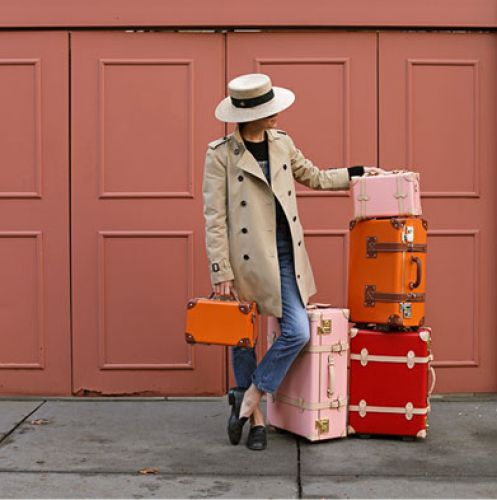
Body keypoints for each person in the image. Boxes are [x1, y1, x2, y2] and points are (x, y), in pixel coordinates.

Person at [202, 73, 386, 451]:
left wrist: (358, 174)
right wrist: (221, 269)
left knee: (298, 331)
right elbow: (214, 217)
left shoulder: (282, 143)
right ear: (249, 115)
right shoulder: (220, 155)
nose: (277, 114)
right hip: (245, 259)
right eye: (269, 109)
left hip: (285, 253)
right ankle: (256, 422)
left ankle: (249, 396)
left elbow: (314, 177)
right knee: (243, 339)